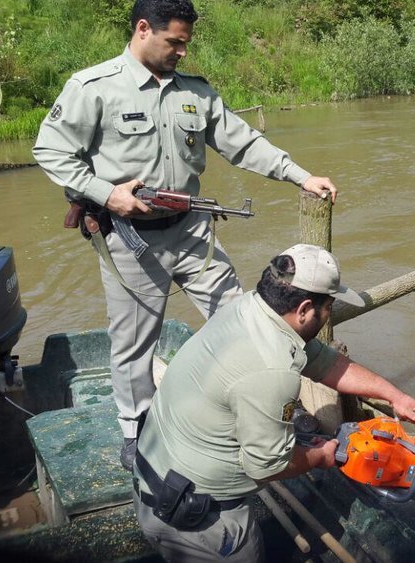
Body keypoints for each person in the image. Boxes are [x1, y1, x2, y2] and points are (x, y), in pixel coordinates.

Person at [32, 0, 339, 470]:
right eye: (174, 41)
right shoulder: (93, 88)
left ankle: (276, 410)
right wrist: (107, 194)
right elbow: (51, 151)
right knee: (135, 342)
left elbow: (243, 143)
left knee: (245, 318)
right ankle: (138, 432)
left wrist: (300, 175)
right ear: (142, 29)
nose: (181, 52)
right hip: (128, 237)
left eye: (186, 43)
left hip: (193, 231)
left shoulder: (195, 93)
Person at [133, 244, 415, 561]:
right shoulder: (271, 369)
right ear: (304, 309)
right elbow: (267, 465)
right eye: (328, 306)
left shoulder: (253, 309)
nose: (328, 315)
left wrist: (394, 395)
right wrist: (323, 456)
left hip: (158, 468)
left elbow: (329, 365)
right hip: (196, 514)